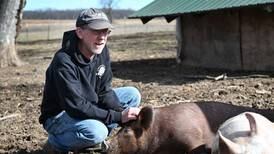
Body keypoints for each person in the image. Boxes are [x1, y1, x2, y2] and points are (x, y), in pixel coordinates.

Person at [39, 8, 141, 153]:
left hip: (88, 103)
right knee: (96, 132)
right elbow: (76, 106)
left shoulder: (101, 51)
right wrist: (118, 116)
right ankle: (56, 143)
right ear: (80, 32)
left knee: (132, 94)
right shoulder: (64, 61)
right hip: (60, 114)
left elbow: (104, 91)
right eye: (96, 31)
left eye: (105, 31)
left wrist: (122, 113)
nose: (102, 37)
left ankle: (95, 139)